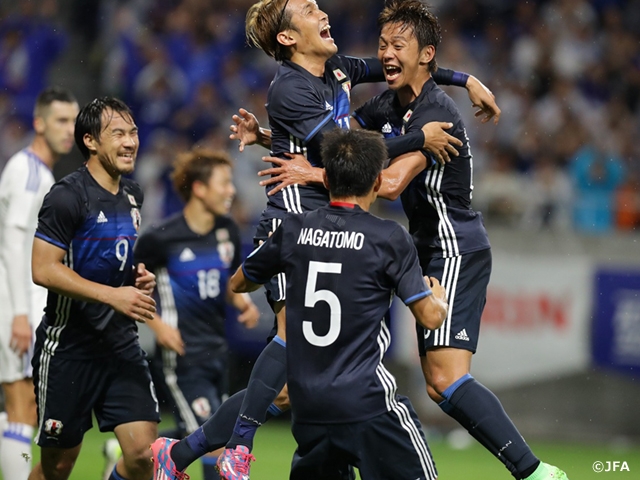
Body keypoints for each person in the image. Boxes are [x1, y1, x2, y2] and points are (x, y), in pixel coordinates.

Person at [149, 0, 498, 478]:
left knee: (290, 386)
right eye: (308, 8)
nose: (321, 10)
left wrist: (465, 80)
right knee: (294, 340)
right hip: (293, 222)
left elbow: (406, 64)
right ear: (289, 38)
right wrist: (418, 139)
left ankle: (178, 453)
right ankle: (240, 446)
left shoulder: (335, 68)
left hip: (324, 223)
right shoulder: (289, 88)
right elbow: (344, 153)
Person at [351, 2, 568, 479]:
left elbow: (386, 184)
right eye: (383, 44)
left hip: (455, 248)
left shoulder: (437, 112)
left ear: (425, 54)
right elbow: (345, 137)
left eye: (397, 46)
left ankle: (535, 472)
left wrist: (322, 167)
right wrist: (280, 142)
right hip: (430, 248)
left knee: (447, 378)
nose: (385, 53)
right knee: (436, 384)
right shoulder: (390, 105)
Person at [228, 127, 448, 480]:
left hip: (309, 408)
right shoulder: (389, 237)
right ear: (377, 181)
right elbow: (429, 318)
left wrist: (275, 256)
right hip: (366, 402)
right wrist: (438, 300)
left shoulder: (294, 229)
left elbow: (240, 282)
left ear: (326, 178)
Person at [28, 97, 159, 480]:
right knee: (59, 466)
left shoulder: (134, 194)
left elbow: (113, 256)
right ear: (90, 141)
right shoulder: (67, 196)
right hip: (70, 347)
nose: (130, 141)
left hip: (120, 344)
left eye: (133, 132)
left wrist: (136, 275)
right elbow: (43, 269)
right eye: (117, 133)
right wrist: (112, 295)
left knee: (143, 455)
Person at [134, 148, 260, 480]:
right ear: (200, 188)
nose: (232, 190)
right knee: (214, 442)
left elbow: (228, 284)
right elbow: (128, 289)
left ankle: (135, 456)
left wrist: (242, 303)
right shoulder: (161, 238)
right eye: (224, 183)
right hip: (182, 356)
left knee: (206, 433)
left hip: (218, 352)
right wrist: (157, 326)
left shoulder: (227, 232)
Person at [0, 87, 78, 480]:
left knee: (24, 407)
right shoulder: (29, 172)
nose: (69, 130)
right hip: (13, 302)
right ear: (39, 123)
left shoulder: (40, 172)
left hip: (20, 301)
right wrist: (17, 314)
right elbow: (13, 244)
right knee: (22, 406)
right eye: (61, 121)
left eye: (73, 121)